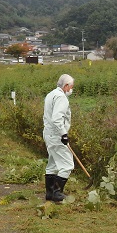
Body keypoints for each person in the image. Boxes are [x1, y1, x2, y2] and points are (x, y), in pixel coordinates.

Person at [43, 74, 75, 202]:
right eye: (71, 86)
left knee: (53, 164)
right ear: (66, 86)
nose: (72, 89)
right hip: (56, 135)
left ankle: (50, 194)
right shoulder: (61, 97)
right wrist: (64, 134)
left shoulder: (51, 94)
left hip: (48, 133)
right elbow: (57, 119)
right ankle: (57, 193)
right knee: (67, 165)